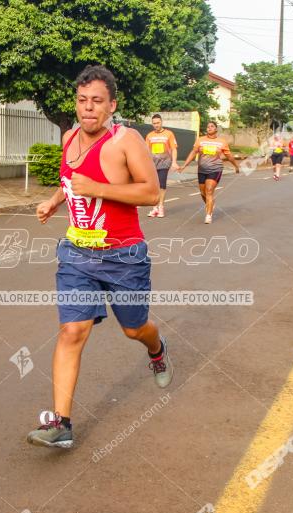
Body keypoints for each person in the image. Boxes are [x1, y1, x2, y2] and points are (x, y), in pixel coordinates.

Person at [29, 65, 172, 449]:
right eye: (81, 101)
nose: (87, 109)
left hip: (124, 255)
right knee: (72, 331)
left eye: (96, 102)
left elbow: (150, 193)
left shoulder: (127, 141)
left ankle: (157, 349)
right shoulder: (69, 137)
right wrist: (54, 201)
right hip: (77, 252)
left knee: (134, 329)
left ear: (112, 105)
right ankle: (61, 424)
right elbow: (70, 183)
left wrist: (98, 187)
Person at [179, 121, 240, 223]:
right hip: (202, 170)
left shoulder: (222, 142)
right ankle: (210, 204)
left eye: (212, 126)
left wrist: (236, 166)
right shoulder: (200, 140)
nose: (209, 128)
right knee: (203, 193)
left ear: (216, 129)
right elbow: (193, 153)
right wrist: (184, 165)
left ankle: (208, 215)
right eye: (208, 127)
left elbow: (229, 156)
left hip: (215, 169)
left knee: (209, 190)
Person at [144, 114, 178, 218]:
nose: (156, 125)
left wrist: (174, 162)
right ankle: (155, 208)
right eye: (154, 123)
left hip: (164, 163)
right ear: (152, 124)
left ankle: (161, 207)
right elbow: (146, 151)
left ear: (161, 122)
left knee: (162, 185)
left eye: (158, 123)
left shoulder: (169, 134)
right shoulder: (149, 136)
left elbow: (174, 149)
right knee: (154, 187)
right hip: (152, 164)